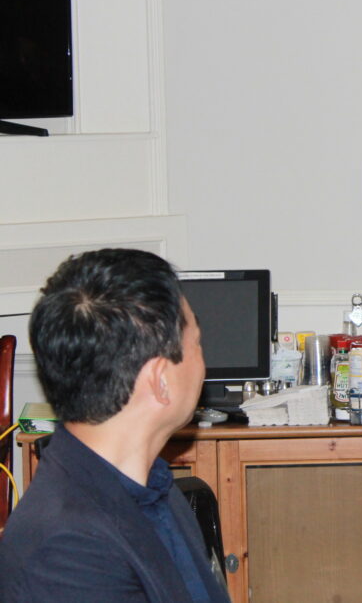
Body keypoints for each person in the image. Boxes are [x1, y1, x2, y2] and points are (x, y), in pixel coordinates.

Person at [0, 248, 230, 603]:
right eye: (196, 343)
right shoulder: (68, 550)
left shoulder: (157, 489)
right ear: (160, 380)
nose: (203, 364)